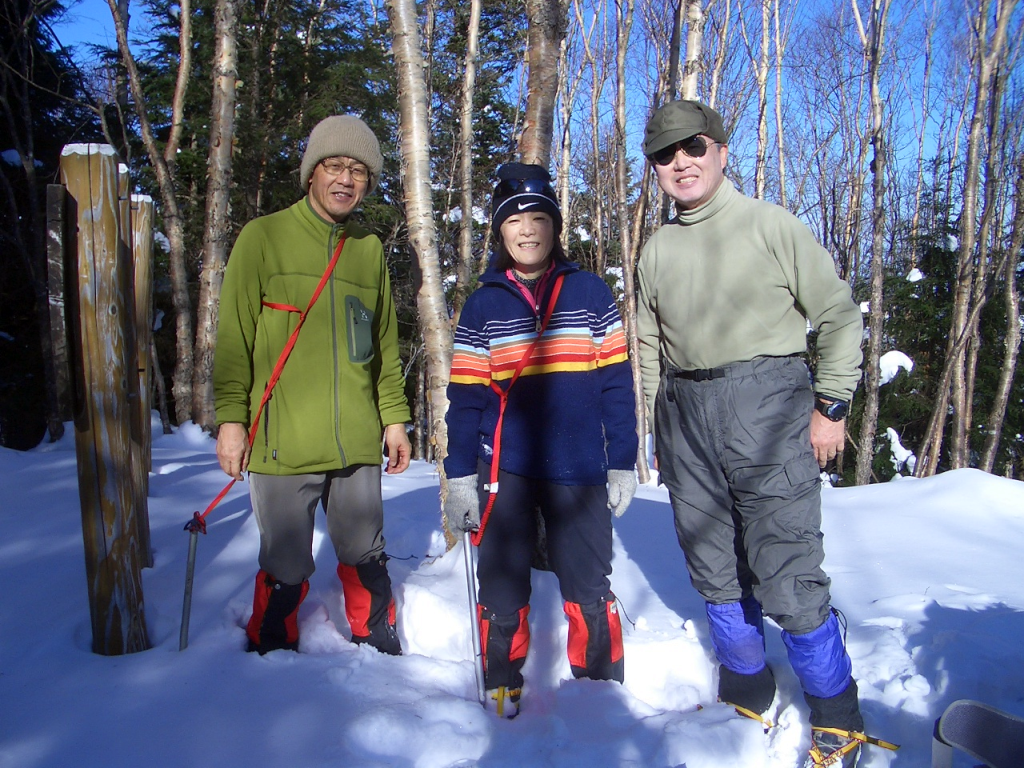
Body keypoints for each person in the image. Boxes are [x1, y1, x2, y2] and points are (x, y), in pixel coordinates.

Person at [636, 100, 869, 768]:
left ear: (721, 151)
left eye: (693, 147)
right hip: (686, 415)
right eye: (664, 154)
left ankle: (836, 713)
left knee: (787, 570)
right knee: (712, 567)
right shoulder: (656, 250)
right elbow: (649, 344)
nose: (680, 162)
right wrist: (656, 425)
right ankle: (747, 683)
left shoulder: (772, 226)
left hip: (768, 408)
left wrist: (831, 406)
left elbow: (837, 315)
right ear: (655, 168)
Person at [443, 163, 638, 718]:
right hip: (505, 466)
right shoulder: (483, 305)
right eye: (514, 221)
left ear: (554, 227)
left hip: (579, 467)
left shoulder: (591, 292)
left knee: (588, 583)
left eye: (538, 218)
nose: (527, 230)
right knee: (501, 587)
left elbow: (616, 385)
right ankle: (502, 680)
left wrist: (621, 460)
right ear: (501, 234)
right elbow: (465, 397)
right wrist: (460, 477)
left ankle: (600, 688)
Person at [214, 115, 412, 657]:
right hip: (282, 439)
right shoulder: (264, 238)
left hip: (355, 438)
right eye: (334, 166)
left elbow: (384, 346)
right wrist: (231, 420)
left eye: (359, 171)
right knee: (285, 560)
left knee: (363, 549)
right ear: (311, 173)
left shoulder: (369, 250)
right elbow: (233, 340)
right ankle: (272, 644)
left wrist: (393, 418)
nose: (346, 179)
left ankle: (375, 635)